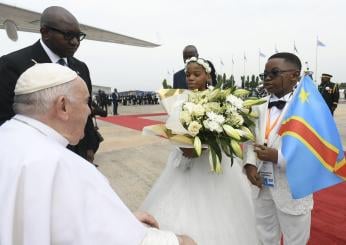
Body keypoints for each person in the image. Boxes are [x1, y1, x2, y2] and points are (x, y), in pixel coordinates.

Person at [0, 63, 197, 245]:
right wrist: (179, 241)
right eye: (87, 102)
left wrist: (123, 219)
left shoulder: (8, 136)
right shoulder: (66, 167)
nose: (90, 111)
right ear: (63, 106)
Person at [141, 57, 259, 244]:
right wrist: (183, 145)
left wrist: (210, 143)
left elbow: (227, 129)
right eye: (188, 74)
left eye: (197, 74)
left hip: (212, 162)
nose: (191, 78)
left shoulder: (221, 100)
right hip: (186, 159)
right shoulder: (180, 99)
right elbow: (174, 127)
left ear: (207, 76)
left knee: (219, 207)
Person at [0, 6, 98, 163]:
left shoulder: (81, 68)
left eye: (78, 36)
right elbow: (4, 120)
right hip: (35, 160)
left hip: (77, 156)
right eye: (68, 35)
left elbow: (86, 111)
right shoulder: (12, 65)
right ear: (45, 32)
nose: (75, 42)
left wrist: (90, 146)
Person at [244, 52, 313, 245]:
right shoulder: (257, 106)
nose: (267, 79)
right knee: (264, 235)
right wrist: (249, 164)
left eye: (274, 73)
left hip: (292, 189)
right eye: (264, 74)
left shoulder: (308, 107)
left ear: (294, 75)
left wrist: (279, 157)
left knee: (296, 238)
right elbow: (250, 139)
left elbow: (313, 150)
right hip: (261, 184)